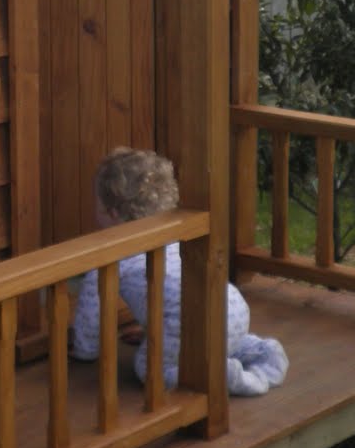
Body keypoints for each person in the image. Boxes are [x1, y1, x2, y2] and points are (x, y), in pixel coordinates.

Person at [69, 146, 289, 397]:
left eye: (96, 206)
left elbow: (91, 316)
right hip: (232, 308)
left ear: (112, 213)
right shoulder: (175, 237)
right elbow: (170, 293)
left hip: (184, 321)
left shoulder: (109, 261)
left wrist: (85, 350)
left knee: (149, 367)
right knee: (223, 341)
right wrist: (150, 329)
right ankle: (266, 354)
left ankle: (219, 376)